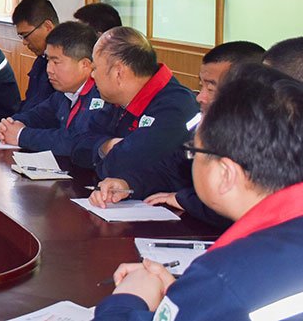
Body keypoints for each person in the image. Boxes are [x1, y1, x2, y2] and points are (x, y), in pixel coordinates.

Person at [92, 65, 303, 321]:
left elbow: (231, 296)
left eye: (194, 151)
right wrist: (184, 298)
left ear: (225, 174)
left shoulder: (224, 278)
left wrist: (128, 298)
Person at [87, 41, 267, 227]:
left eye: (211, 89)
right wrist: (127, 184)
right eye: (201, 86)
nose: (200, 97)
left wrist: (185, 199)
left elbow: (242, 205)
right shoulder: (210, 125)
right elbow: (173, 169)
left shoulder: (269, 139)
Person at [70, 27, 199, 179]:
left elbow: (125, 168)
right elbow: (78, 145)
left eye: (96, 68)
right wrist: (108, 146)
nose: (92, 75)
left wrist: (103, 152)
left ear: (118, 72)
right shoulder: (116, 98)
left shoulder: (175, 108)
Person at [0, 21, 109, 155]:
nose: (49, 69)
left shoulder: (102, 95)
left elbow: (75, 141)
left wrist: (21, 135)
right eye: (48, 60)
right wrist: (11, 125)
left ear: (85, 64)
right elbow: (38, 115)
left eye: (56, 62)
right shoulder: (63, 93)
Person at [11, 0, 58, 111]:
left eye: (26, 35)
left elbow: (49, 111)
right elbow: (31, 102)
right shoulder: (41, 60)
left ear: (47, 26)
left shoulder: (65, 65)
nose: (24, 42)